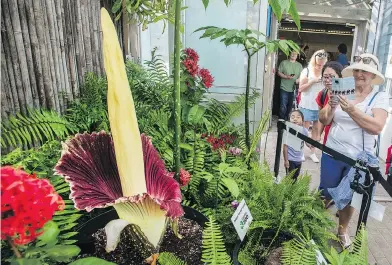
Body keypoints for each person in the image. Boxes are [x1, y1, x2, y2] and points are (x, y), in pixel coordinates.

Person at [318, 53, 389, 248]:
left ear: (373, 76)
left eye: (365, 71)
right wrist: (331, 108)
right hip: (332, 152)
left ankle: (342, 229)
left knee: (349, 198)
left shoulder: (379, 97)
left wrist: (351, 110)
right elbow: (323, 119)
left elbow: (376, 126)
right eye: (357, 69)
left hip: (358, 159)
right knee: (326, 192)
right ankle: (314, 223)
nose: (360, 74)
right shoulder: (343, 87)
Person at [298, 49, 328, 163]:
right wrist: (312, 81)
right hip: (307, 103)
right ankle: (300, 152)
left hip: (319, 105)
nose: (320, 64)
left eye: (323, 62)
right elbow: (300, 88)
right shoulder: (307, 71)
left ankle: (312, 152)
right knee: (304, 129)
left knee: (317, 129)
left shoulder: (325, 72)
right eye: (319, 61)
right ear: (315, 59)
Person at [313, 61, 344, 146]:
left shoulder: (348, 93)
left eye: (332, 77)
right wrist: (318, 135)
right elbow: (321, 118)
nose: (328, 80)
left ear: (341, 77)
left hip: (346, 143)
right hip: (328, 141)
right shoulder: (322, 94)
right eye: (325, 77)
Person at [283, 110, 309, 181]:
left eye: (298, 117)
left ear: (303, 121)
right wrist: (286, 160)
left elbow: (308, 143)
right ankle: (288, 191)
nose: (295, 119)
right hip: (290, 159)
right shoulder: (288, 131)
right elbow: (285, 147)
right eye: (293, 117)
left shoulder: (304, 131)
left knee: (295, 176)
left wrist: (313, 144)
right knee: (290, 178)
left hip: (299, 159)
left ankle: (293, 190)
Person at [277, 51, 303, 120]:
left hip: (294, 88)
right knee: (283, 105)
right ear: (289, 54)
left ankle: (287, 119)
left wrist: (299, 79)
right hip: (284, 87)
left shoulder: (299, 65)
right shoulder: (284, 63)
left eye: (295, 54)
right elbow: (279, 72)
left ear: (297, 56)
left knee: (291, 105)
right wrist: (286, 76)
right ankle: (281, 120)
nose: (294, 55)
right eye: (292, 53)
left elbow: (302, 76)